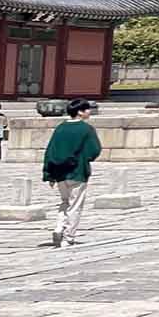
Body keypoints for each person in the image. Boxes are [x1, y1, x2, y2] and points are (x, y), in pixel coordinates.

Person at [41, 99, 102, 248]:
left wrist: (48, 174)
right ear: (80, 112)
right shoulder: (86, 129)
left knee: (64, 202)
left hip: (59, 173)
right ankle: (68, 237)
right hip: (77, 172)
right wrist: (84, 158)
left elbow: (50, 151)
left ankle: (59, 227)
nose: (89, 112)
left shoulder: (60, 128)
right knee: (75, 205)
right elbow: (94, 150)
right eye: (87, 109)